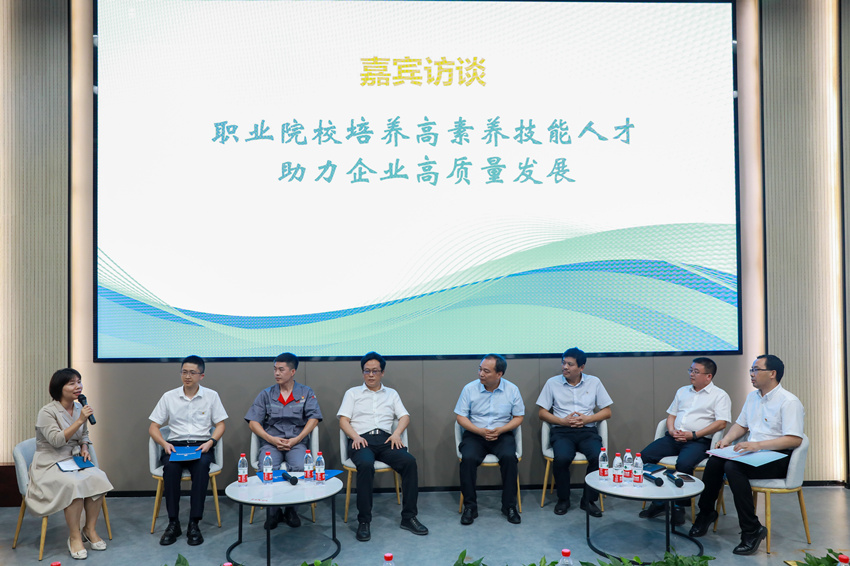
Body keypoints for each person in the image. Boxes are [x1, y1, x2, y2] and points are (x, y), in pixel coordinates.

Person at [689, 354, 804, 556]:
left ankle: (751, 529)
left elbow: (794, 439)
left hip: (777, 457)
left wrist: (758, 445)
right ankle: (706, 513)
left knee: (733, 467)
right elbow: (741, 425)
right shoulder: (753, 397)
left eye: (756, 370)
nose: (751, 374)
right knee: (715, 461)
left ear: (772, 373)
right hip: (754, 454)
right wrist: (726, 439)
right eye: (751, 370)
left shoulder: (789, 401)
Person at [337, 352, 429, 542]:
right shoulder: (352, 393)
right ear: (363, 372)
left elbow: (404, 416)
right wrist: (355, 436)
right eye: (367, 371)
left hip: (387, 440)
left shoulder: (391, 394)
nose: (370, 375)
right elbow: (343, 420)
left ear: (382, 373)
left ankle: (409, 517)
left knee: (409, 462)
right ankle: (364, 521)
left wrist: (397, 433)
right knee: (365, 465)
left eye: (375, 371)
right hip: (361, 440)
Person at [26, 368, 114, 560]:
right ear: (59, 388)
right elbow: (57, 441)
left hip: (72, 460)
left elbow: (84, 434)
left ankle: (89, 529)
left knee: (98, 478)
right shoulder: (47, 412)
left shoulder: (79, 407)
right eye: (72, 383)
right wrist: (81, 419)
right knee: (73, 485)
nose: (78, 386)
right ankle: (74, 537)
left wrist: (84, 446)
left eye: (79, 381)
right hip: (49, 463)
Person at [638, 357, 731, 525]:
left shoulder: (720, 395)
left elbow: (721, 423)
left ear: (708, 376)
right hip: (674, 438)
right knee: (644, 456)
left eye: (696, 371)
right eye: (690, 370)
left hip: (698, 441)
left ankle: (679, 506)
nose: (691, 374)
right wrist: (671, 430)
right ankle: (659, 501)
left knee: (684, 464)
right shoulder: (682, 391)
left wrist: (694, 435)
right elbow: (671, 415)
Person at [149, 355, 227, 547]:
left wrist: (211, 442)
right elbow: (153, 427)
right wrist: (164, 444)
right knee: (170, 470)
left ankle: (194, 523)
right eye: (184, 372)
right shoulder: (169, 396)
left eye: (192, 372)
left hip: (201, 446)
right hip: (176, 446)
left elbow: (220, 424)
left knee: (201, 469)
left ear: (201, 375)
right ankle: (173, 523)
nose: (187, 376)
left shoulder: (211, 396)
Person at [245, 352, 322, 530]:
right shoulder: (266, 394)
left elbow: (314, 418)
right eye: (275, 369)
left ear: (292, 371)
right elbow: (253, 422)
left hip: (297, 442)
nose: (277, 373)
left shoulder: (305, 392)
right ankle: (273, 511)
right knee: (267, 467)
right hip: (271, 442)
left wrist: (297, 439)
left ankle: (291, 510)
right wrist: (270, 438)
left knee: (301, 467)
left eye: (281, 369)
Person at [536, 347, 612, 517]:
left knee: (598, 457)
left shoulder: (594, 382)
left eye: (570, 364)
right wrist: (562, 421)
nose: (565, 367)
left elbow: (607, 412)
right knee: (562, 458)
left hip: (587, 431)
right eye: (563, 363)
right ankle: (563, 499)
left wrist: (587, 419)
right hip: (562, 431)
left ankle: (588, 500)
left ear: (581, 367)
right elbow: (542, 413)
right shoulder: (552, 383)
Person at [455, 353, 525, 525]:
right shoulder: (469, 389)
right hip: (475, 434)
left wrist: (501, 430)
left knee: (509, 458)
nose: (481, 374)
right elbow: (461, 417)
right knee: (468, 459)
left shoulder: (512, 390)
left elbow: (518, 417)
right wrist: (479, 431)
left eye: (486, 371)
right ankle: (470, 507)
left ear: (499, 374)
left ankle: (509, 506)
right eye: (480, 369)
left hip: (502, 434)